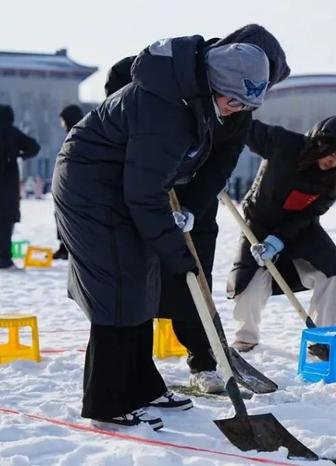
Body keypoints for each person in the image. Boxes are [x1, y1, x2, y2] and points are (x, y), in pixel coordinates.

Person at [52, 34, 270, 429]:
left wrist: (186, 211)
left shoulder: (197, 99)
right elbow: (143, 192)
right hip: (92, 188)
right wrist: (176, 251)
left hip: (125, 187)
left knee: (140, 281)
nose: (235, 111)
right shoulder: (166, 107)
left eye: (245, 105)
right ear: (214, 83)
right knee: (117, 286)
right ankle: (107, 401)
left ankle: (142, 387)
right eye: (233, 100)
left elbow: (173, 177)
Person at [103, 25, 290, 394]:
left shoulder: (241, 111)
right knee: (140, 267)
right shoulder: (181, 73)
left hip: (194, 193)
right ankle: (135, 365)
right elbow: (119, 84)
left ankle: (204, 359)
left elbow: (222, 164)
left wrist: (191, 206)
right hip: (147, 182)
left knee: (194, 268)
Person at [227, 114, 336, 357]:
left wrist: (278, 239)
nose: (333, 161)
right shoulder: (282, 143)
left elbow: (308, 215)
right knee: (248, 286)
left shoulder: (331, 183)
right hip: (258, 224)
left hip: (299, 229)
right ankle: (245, 338)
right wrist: (213, 163)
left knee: (332, 272)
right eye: (333, 152)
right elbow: (241, 127)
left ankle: (322, 340)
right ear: (319, 142)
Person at [0, 105, 40, 270]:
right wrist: (21, 155)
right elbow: (34, 146)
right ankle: (4, 258)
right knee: (6, 221)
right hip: (8, 185)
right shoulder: (13, 133)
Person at [53, 105, 84, 260]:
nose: (62, 124)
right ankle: (64, 247)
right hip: (68, 183)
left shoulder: (80, 133)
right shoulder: (73, 134)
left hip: (77, 185)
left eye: (63, 120)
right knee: (61, 214)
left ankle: (68, 248)